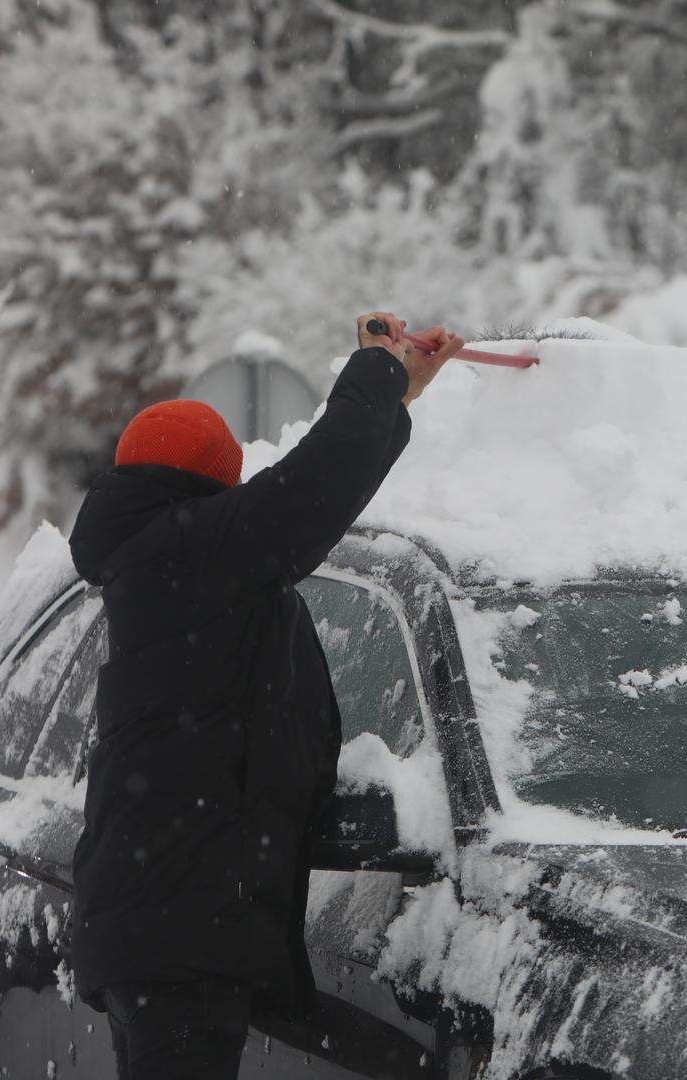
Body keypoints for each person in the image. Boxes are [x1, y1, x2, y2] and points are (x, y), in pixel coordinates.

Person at [65, 313, 464, 1080]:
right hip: (177, 934)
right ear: (213, 486)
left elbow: (320, 497)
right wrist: (378, 371)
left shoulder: (166, 562)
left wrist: (397, 396)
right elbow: (317, 483)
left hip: (159, 923)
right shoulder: (189, 553)